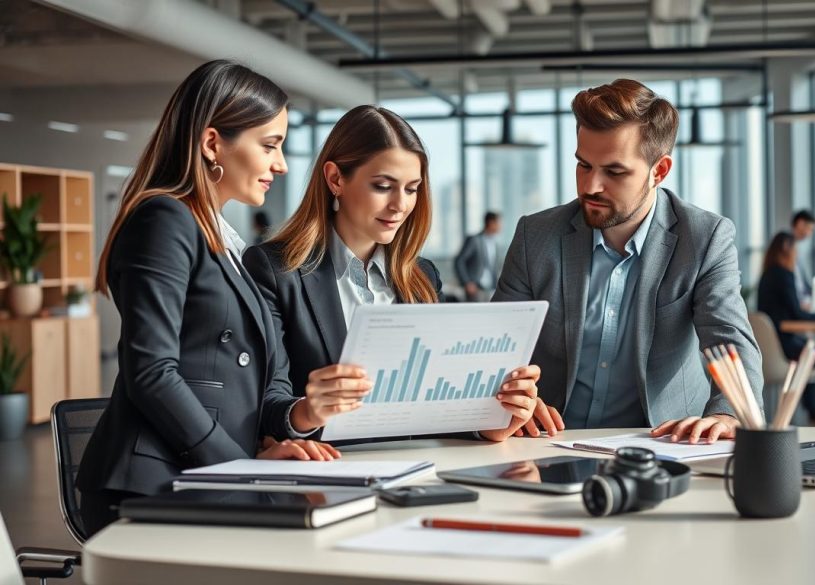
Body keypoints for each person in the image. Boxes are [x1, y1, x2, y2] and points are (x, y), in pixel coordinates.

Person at [76, 60, 341, 538]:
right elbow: (151, 372)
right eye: (270, 145)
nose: (280, 165)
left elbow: (260, 385)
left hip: (209, 478)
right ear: (213, 143)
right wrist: (239, 466)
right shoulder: (165, 219)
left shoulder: (230, 243)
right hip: (154, 488)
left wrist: (300, 419)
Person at [243, 106, 539, 443]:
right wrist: (309, 411)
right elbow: (263, 402)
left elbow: (437, 403)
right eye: (384, 186)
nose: (400, 205)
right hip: (328, 474)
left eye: (411, 189)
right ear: (335, 179)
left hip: (419, 471)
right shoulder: (276, 271)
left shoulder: (422, 278)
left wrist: (492, 419)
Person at [493, 79, 763, 445]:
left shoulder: (704, 238)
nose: (590, 186)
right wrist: (509, 400)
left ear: (660, 171)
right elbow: (495, 350)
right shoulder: (536, 237)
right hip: (549, 441)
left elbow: (729, 340)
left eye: (614, 172)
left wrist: (727, 413)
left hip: (661, 445)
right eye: (583, 165)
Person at [756, 231, 815, 424]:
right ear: (786, 249)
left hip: (767, 350)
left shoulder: (767, 275)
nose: (797, 255)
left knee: (808, 352)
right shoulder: (784, 275)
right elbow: (797, 313)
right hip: (783, 346)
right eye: (795, 249)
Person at [455, 211, 502, 302]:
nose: (501, 226)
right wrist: (467, 282)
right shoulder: (474, 240)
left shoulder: (495, 244)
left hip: (491, 289)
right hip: (475, 289)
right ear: (491, 223)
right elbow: (459, 261)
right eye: (499, 223)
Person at [791, 209, 815, 309]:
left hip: (803, 303)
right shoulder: (784, 248)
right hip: (796, 306)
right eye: (810, 229)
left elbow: (804, 285)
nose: (810, 234)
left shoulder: (798, 250)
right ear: (801, 224)